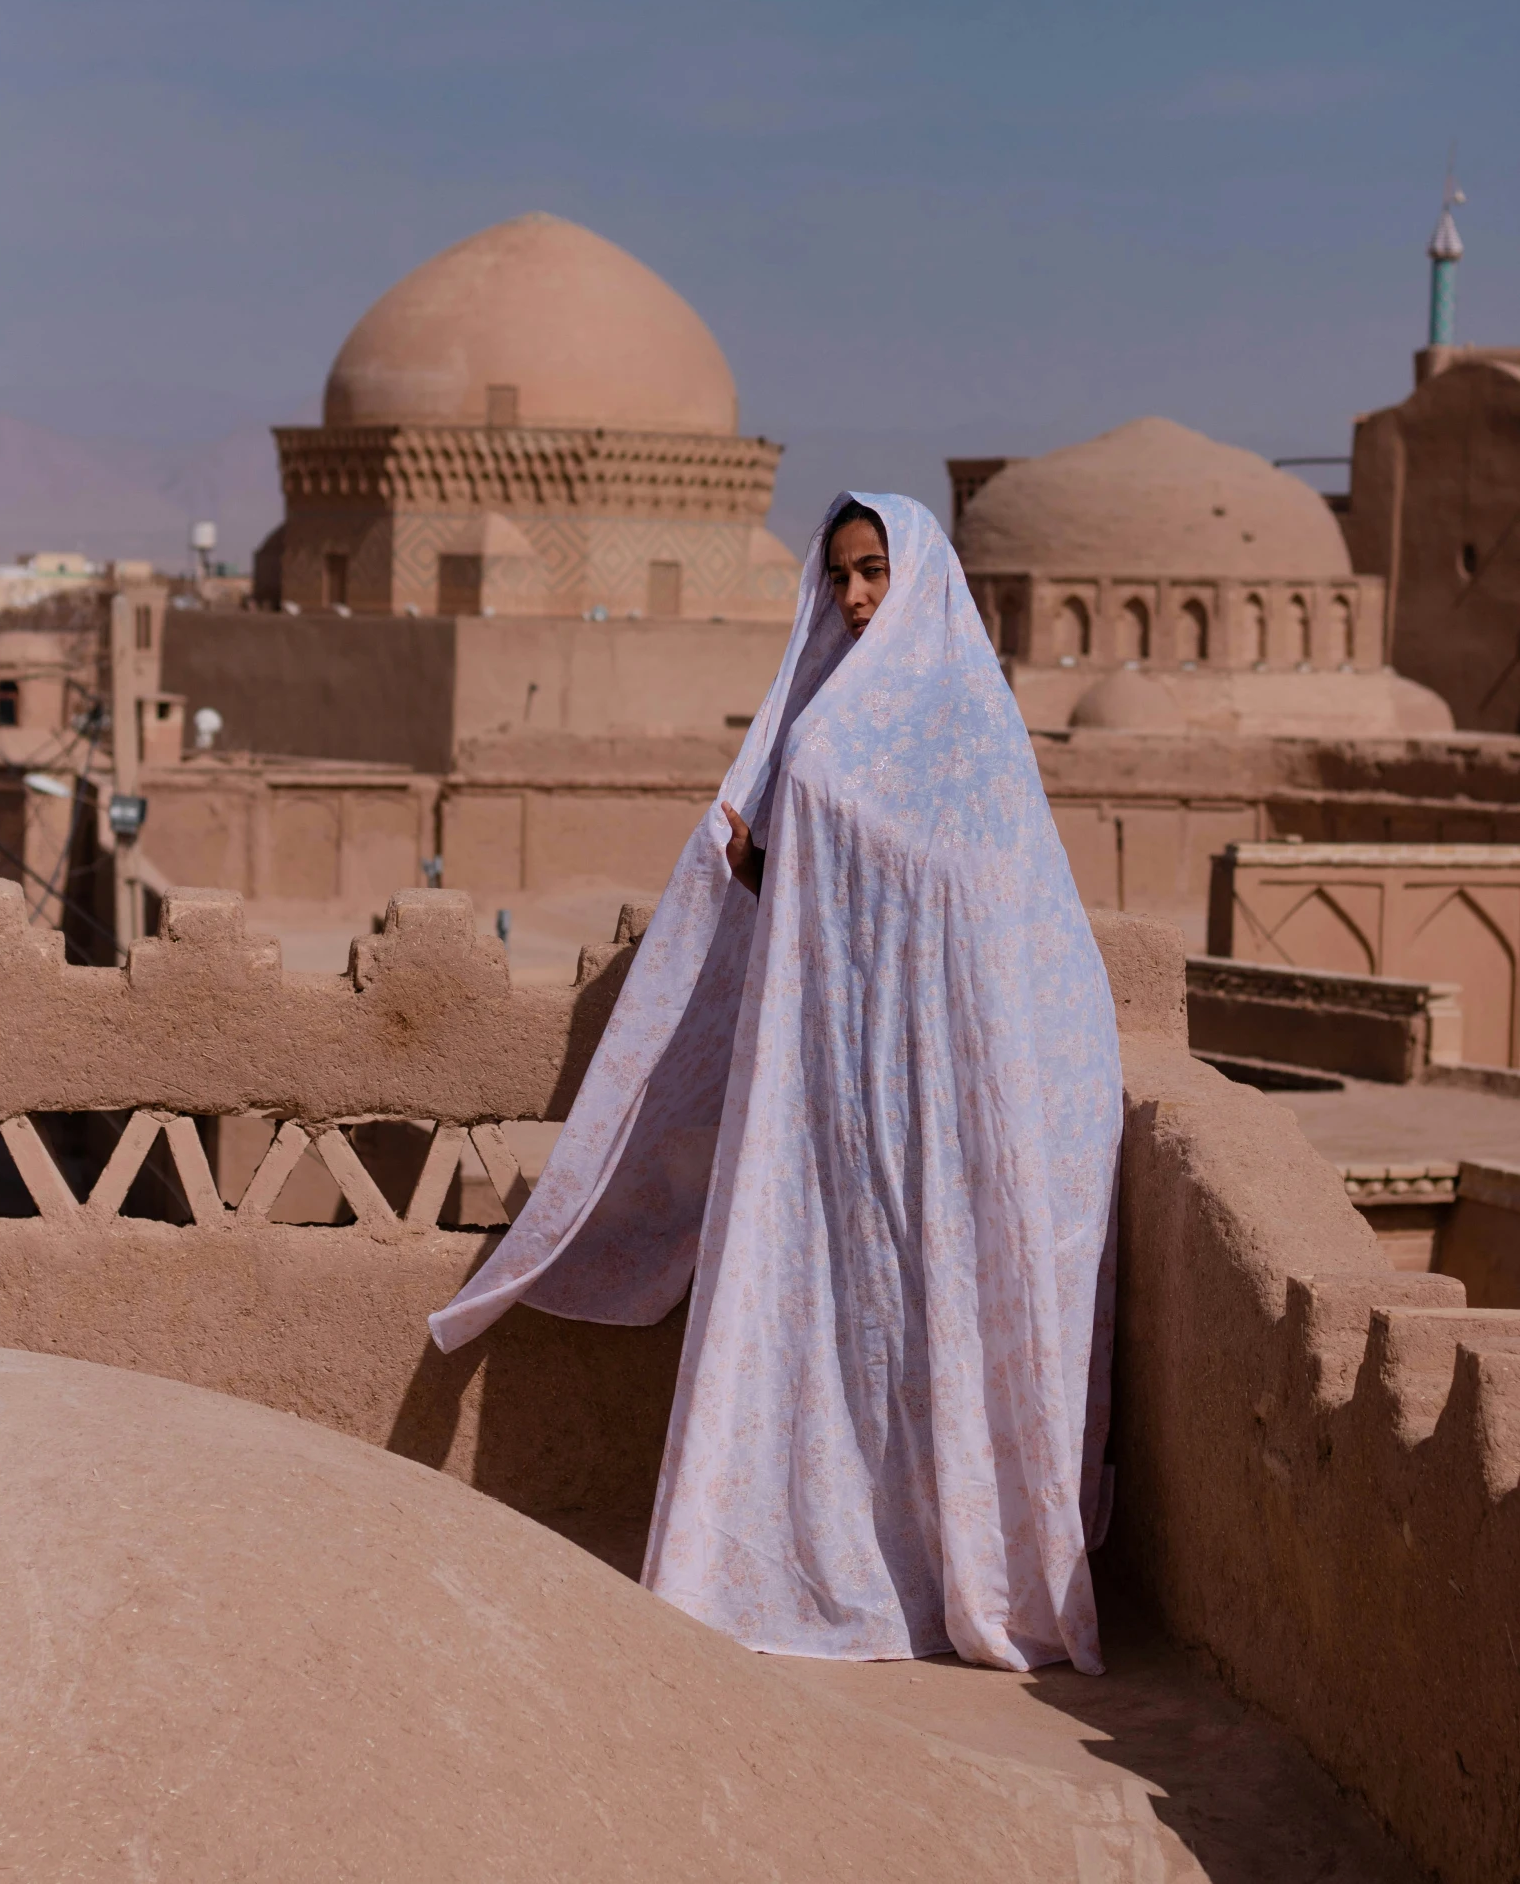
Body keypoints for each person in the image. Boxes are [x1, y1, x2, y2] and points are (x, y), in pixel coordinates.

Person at [428, 492, 1120, 1672]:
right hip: (837, 1072)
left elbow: (977, 890)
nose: (853, 598)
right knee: (840, 1318)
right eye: (840, 575)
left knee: (938, 1309)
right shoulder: (823, 708)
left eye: (874, 575)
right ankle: (835, 1558)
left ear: (921, 579)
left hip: (956, 1080)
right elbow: (799, 862)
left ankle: (951, 1569)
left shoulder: (963, 716)